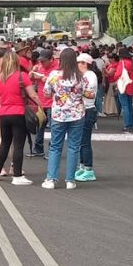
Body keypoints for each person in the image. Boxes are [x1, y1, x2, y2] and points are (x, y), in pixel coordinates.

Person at [0, 51, 42, 185]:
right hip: (18, 112)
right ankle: (17, 175)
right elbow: (32, 94)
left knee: (5, 143)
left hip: (4, 113)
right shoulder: (22, 76)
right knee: (18, 145)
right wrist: (40, 105)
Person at [42, 48, 88, 191]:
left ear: (60, 60)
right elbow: (86, 93)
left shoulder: (54, 75)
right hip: (77, 114)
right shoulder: (81, 76)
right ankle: (70, 180)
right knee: (74, 147)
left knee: (55, 146)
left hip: (59, 114)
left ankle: (51, 179)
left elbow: (47, 93)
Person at [28, 48, 57, 157]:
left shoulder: (57, 68)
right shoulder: (39, 67)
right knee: (39, 126)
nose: (41, 63)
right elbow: (30, 79)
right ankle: (38, 149)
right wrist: (32, 72)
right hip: (41, 101)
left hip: (52, 102)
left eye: (44, 61)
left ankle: (52, 151)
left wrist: (48, 79)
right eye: (40, 61)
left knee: (54, 128)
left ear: (51, 59)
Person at [75, 53, 99, 182]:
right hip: (81, 109)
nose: (77, 65)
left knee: (84, 141)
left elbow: (90, 94)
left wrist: (77, 90)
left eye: (79, 62)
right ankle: (82, 166)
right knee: (80, 141)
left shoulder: (90, 76)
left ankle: (89, 169)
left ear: (85, 63)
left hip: (88, 110)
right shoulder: (84, 75)